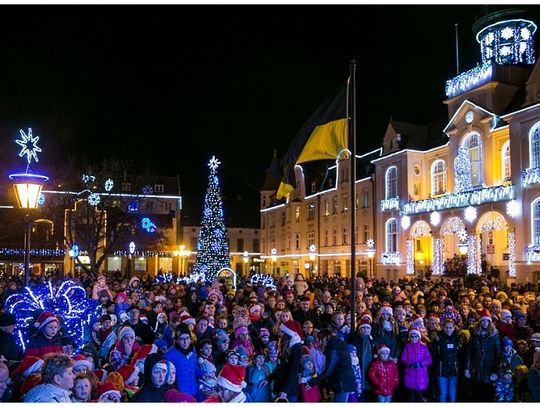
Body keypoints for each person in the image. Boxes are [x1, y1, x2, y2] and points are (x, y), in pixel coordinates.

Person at [306, 327, 356, 402]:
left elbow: (328, 371)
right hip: (345, 381)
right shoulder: (337, 345)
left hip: (342, 383)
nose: (318, 343)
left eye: (318, 341)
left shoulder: (333, 349)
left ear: (323, 339)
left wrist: (312, 382)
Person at [465, 308, 501, 402]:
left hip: (488, 369)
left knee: (487, 395)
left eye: (487, 321)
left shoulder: (494, 336)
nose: (485, 323)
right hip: (475, 368)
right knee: (475, 395)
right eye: (483, 320)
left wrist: (495, 371)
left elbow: (497, 354)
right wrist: (467, 368)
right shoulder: (475, 335)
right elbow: (469, 353)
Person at [165, 323, 203, 399]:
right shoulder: (170, 354)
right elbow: (168, 377)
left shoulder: (192, 350)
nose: (185, 342)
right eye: (182, 339)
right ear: (176, 340)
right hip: (180, 394)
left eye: (187, 338)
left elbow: (194, 368)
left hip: (194, 390)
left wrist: (204, 374)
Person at [272, 319, 303, 402]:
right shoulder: (285, 346)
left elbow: (293, 370)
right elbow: (280, 367)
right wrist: (269, 378)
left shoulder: (296, 348)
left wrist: (285, 389)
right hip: (280, 385)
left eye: (282, 332)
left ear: (288, 334)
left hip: (289, 390)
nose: (280, 334)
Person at [400, 328, 432, 402]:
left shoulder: (424, 347)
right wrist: (409, 363)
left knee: (419, 398)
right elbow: (403, 358)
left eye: (416, 336)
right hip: (410, 374)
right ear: (409, 337)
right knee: (411, 398)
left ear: (419, 337)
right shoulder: (407, 346)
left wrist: (421, 364)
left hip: (421, 376)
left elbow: (429, 359)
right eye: (412, 336)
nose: (414, 338)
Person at [432, 319, 460, 402]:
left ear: (454, 328)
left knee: (452, 392)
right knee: (442, 393)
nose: (448, 330)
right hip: (441, 370)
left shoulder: (457, 339)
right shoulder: (438, 339)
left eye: (450, 327)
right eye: (446, 327)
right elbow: (434, 355)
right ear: (443, 328)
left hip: (453, 370)